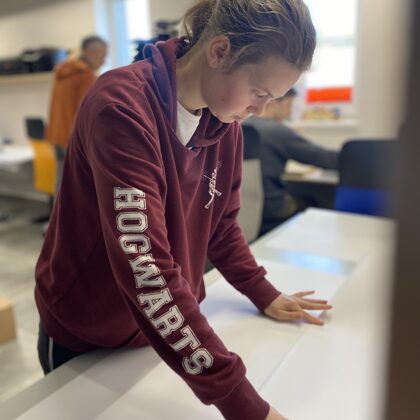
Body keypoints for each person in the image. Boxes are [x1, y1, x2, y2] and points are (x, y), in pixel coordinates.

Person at [35, 2, 332, 419]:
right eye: (259, 92)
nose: (260, 110)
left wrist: (262, 292)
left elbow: (222, 227)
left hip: (163, 335)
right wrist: (245, 407)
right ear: (219, 51)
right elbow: (146, 268)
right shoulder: (121, 106)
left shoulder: (224, 123)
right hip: (89, 330)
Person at [243, 89, 340, 235]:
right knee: (313, 201)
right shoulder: (277, 131)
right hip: (272, 208)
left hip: (244, 207)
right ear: (273, 103)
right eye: (289, 105)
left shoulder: (241, 125)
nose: (289, 113)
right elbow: (324, 158)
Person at [46, 35, 108, 182]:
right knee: (79, 188)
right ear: (91, 53)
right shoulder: (85, 75)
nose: (104, 61)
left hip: (57, 135)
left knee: (62, 185)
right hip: (75, 139)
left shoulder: (63, 72)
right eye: (103, 56)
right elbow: (90, 114)